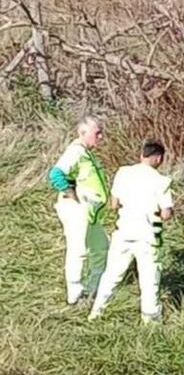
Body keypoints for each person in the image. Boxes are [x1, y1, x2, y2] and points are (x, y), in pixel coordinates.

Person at [88, 140, 174, 323]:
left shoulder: (123, 173)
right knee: (149, 279)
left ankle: (96, 312)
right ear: (158, 158)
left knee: (111, 275)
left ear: (142, 154)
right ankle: (149, 320)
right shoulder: (161, 181)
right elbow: (166, 214)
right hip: (148, 236)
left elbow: (113, 204)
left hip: (124, 233)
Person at [48, 115, 109, 305]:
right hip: (76, 209)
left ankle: (93, 287)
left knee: (101, 248)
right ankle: (74, 292)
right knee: (78, 249)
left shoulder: (86, 153)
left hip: (90, 212)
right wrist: (71, 194)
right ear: (82, 133)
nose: (100, 137)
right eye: (97, 133)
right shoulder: (75, 152)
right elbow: (56, 174)